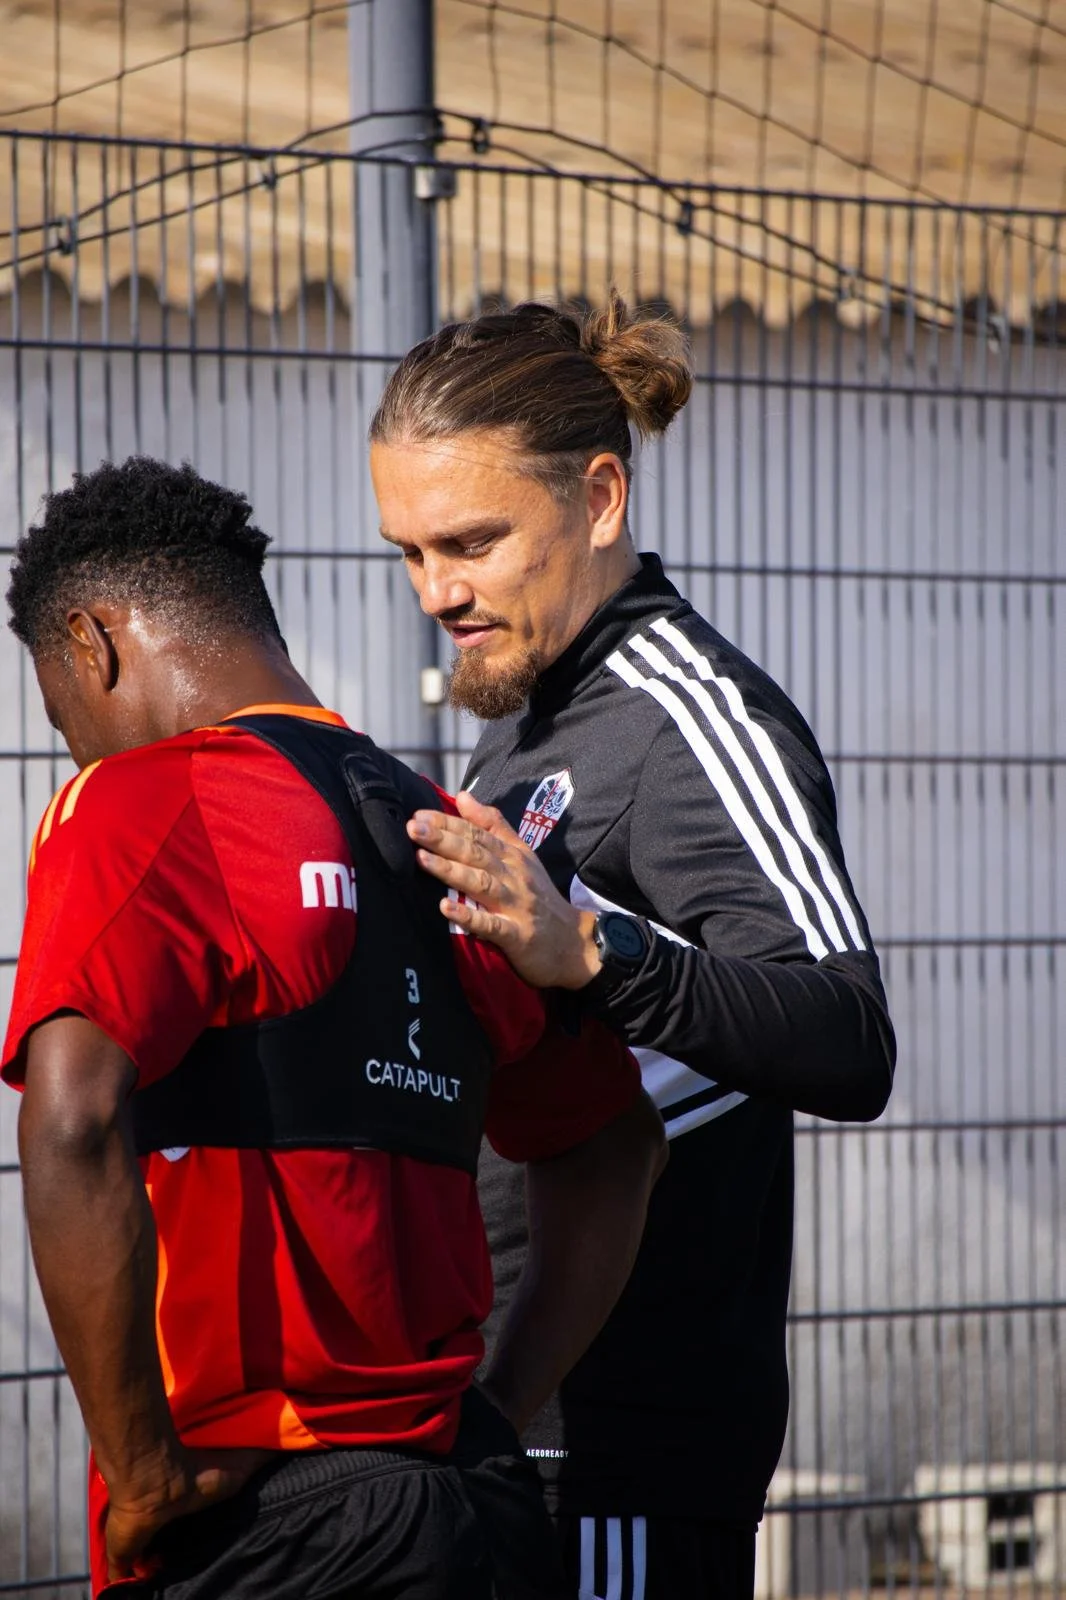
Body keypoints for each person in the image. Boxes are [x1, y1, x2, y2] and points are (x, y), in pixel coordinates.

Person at [2, 456, 666, 1600]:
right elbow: (616, 1143)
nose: (74, 746)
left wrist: (145, 1474)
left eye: (62, 710)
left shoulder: (142, 797)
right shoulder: (446, 832)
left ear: (93, 644)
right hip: (471, 1501)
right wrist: (500, 1405)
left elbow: (68, 1121)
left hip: (266, 1518)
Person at [369, 293, 897, 1600]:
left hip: (626, 1467)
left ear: (597, 498)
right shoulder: (530, 712)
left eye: (471, 543)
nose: (439, 591)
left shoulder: (691, 720)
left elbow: (848, 1034)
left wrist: (594, 954)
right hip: (513, 1439)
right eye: (410, 552)